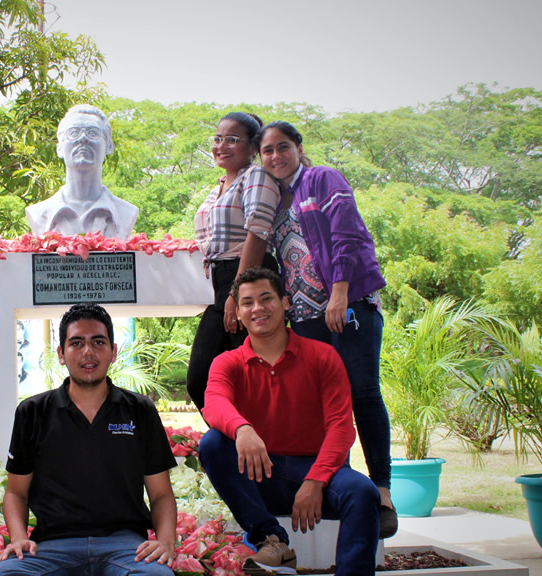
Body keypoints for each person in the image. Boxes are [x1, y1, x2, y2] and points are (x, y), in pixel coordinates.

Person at [255, 121, 396, 537]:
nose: (276, 156)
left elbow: (347, 235)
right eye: (267, 151)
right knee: (326, 404)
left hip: (348, 304)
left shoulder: (321, 179)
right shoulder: (276, 199)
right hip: (306, 316)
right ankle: (346, 485)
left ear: (299, 148)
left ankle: (383, 493)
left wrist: (340, 293)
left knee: (363, 392)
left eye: (283, 147)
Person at [199, 268, 380, 576]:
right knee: (213, 444)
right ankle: (272, 541)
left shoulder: (322, 356)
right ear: (239, 313)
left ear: (285, 303)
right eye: (247, 302)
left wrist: (316, 481)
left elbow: (341, 427)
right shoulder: (227, 362)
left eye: (266, 298)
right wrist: (243, 429)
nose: (257, 308)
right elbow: (214, 403)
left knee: (363, 493)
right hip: (260, 474)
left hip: (317, 472)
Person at [0, 303, 177, 575]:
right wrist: (19, 538)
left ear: (113, 352)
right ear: (61, 354)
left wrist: (165, 541)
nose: (88, 352)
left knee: (157, 575)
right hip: (52, 545)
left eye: (98, 342)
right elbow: (16, 492)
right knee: (7, 574)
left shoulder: (139, 410)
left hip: (126, 547)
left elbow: (161, 494)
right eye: (76, 343)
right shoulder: (32, 412)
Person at [186, 112, 281, 411]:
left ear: (253, 147)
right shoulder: (218, 187)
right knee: (202, 379)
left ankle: (264, 447)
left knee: (254, 376)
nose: (221, 145)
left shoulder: (255, 176)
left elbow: (258, 232)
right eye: (217, 139)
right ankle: (237, 443)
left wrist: (237, 293)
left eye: (232, 139)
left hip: (248, 278)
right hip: (220, 282)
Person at [25, 104, 139, 238]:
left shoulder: (126, 212)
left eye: (93, 133)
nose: (83, 138)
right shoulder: (39, 213)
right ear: (59, 148)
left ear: (109, 146)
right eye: (74, 133)